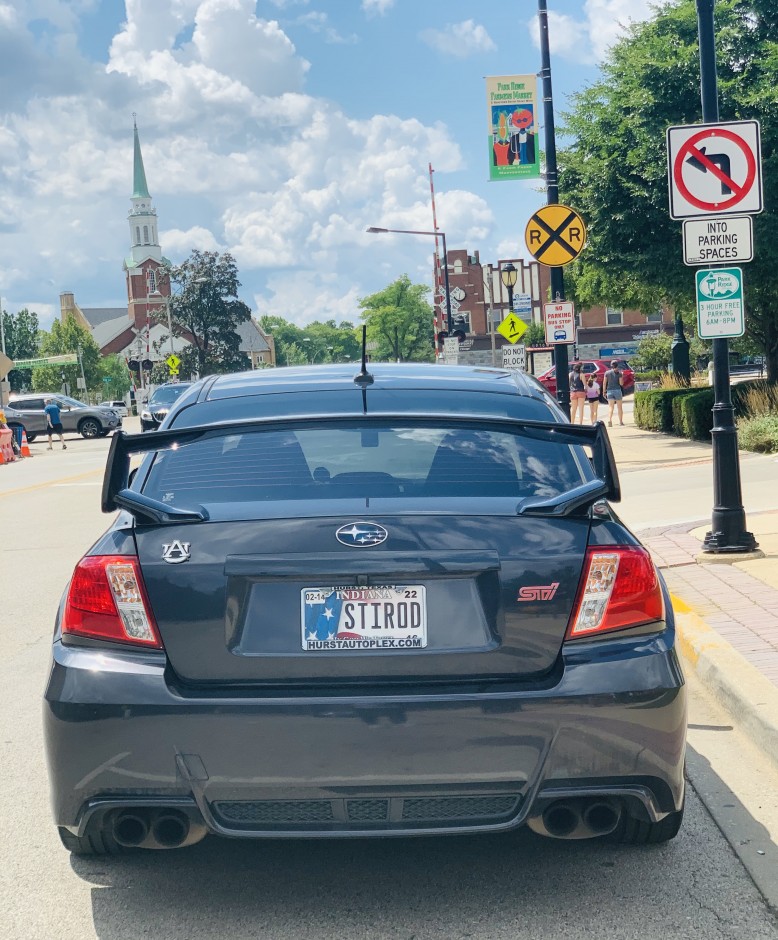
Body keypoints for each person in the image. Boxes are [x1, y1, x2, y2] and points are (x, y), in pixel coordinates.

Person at [604, 361, 624, 427]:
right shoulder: (619, 373)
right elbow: (621, 383)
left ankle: (609, 420)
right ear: (617, 365)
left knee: (610, 407)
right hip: (617, 390)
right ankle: (620, 422)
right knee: (619, 407)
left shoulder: (607, 373)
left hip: (609, 390)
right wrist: (622, 376)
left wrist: (604, 391)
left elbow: (604, 383)